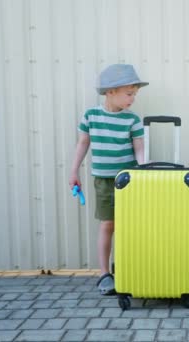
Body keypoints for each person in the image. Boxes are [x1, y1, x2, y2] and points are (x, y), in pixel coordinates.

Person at [69, 64, 148, 295]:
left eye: (134, 94)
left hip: (130, 181)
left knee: (131, 226)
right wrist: (73, 171)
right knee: (108, 225)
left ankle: (128, 267)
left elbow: (140, 150)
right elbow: (83, 144)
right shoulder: (91, 116)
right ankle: (105, 273)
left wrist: (144, 174)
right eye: (129, 93)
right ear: (111, 91)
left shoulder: (132, 120)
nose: (133, 98)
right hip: (104, 181)